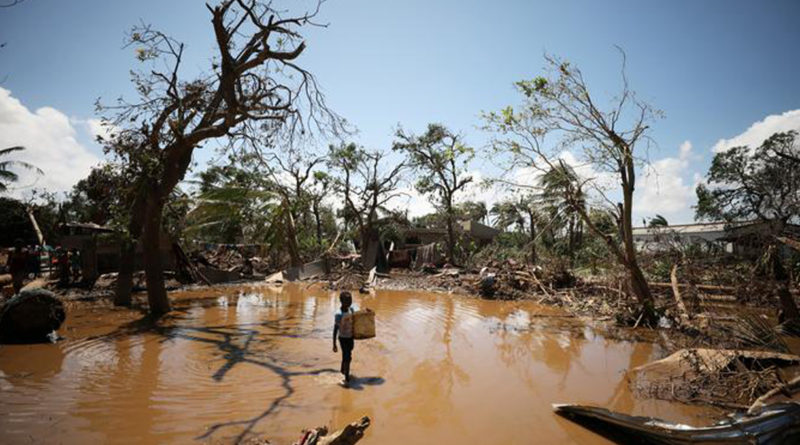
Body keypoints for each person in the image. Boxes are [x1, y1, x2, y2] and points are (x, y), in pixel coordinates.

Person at [333, 291, 357, 385]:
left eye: (350, 300)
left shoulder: (351, 309)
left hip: (350, 337)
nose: (349, 302)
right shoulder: (338, 314)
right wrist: (334, 344)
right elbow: (335, 329)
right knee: (347, 356)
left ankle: (342, 370)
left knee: (348, 355)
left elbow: (357, 318)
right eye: (347, 301)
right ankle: (347, 378)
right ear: (341, 301)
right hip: (343, 338)